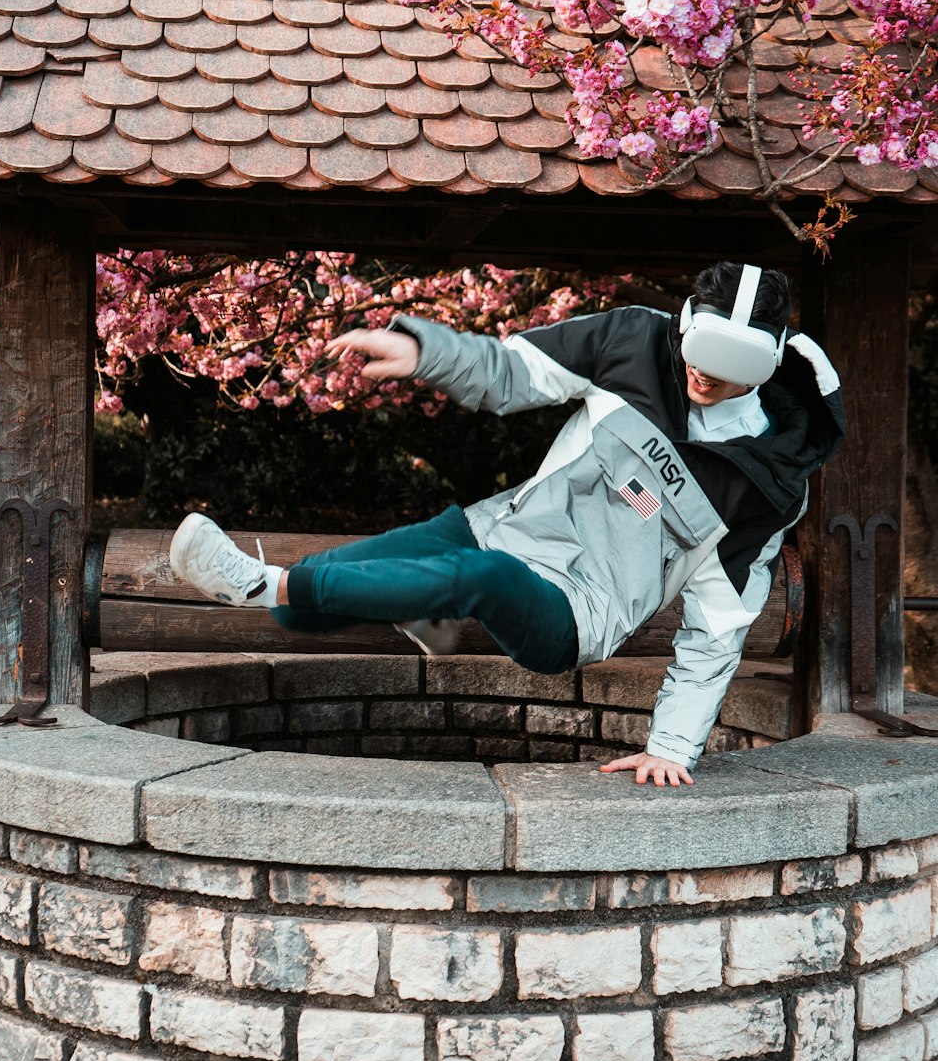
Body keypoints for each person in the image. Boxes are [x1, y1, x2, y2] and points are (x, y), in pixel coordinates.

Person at [169, 261, 844, 788]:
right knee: (319, 591)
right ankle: (324, 600)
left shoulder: (767, 486)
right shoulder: (635, 342)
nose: (701, 377)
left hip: (578, 611)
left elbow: (719, 626)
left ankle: (261, 587)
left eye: (728, 373)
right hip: (502, 529)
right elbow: (514, 370)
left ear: (768, 359)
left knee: (482, 578)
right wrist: (426, 355)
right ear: (688, 321)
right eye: (698, 356)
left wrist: (670, 746)